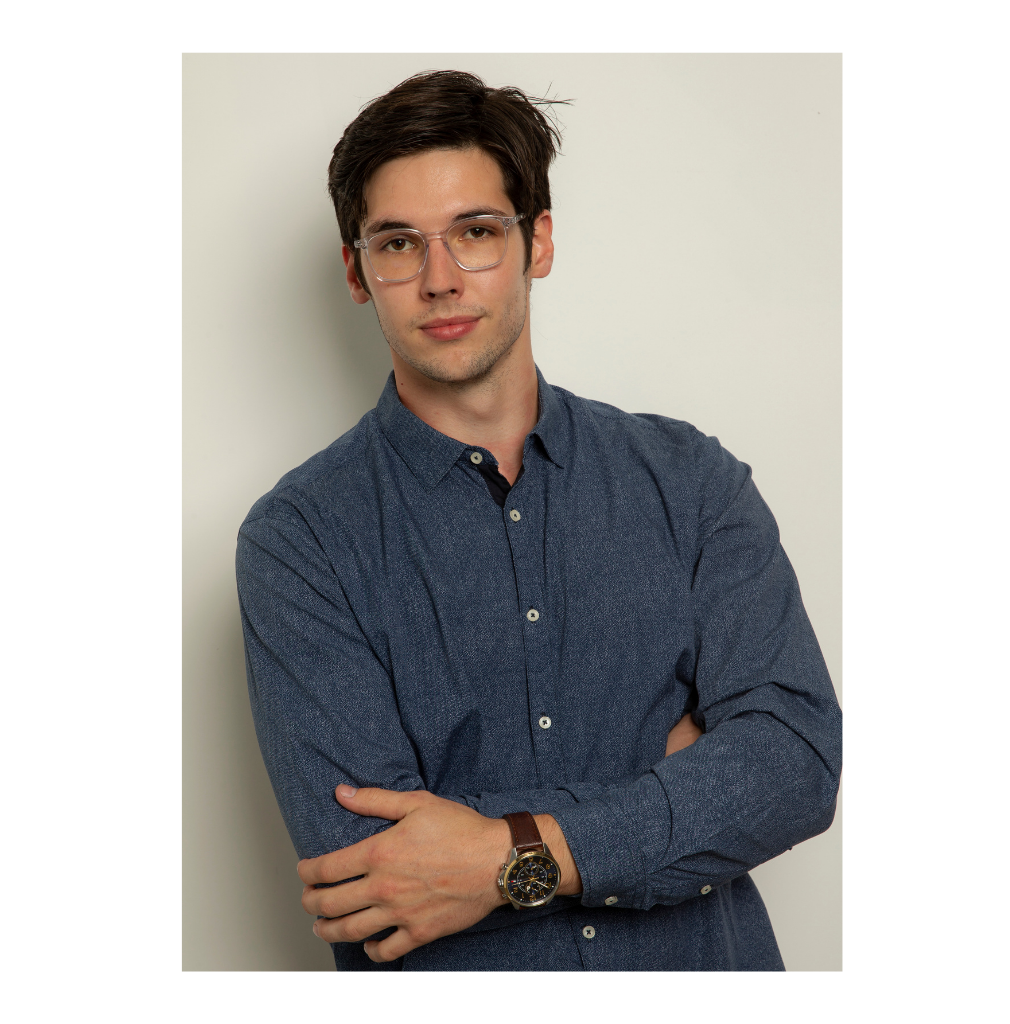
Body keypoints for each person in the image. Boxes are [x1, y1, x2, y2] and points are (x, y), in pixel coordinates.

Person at [235, 69, 842, 972]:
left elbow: (794, 765)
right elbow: (371, 876)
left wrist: (495, 852)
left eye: (475, 232)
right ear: (358, 272)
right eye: (398, 244)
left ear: (539, 242)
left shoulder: (691, 483)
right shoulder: (300, 542)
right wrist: (672, 785)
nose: (440, 280)